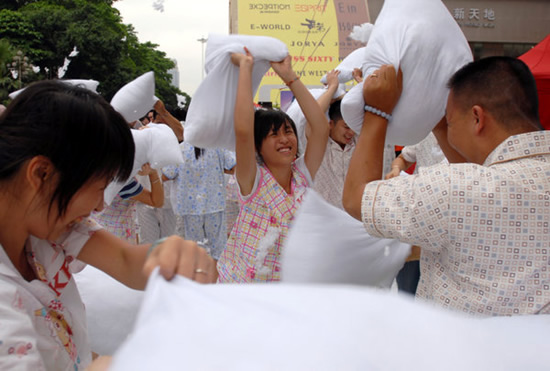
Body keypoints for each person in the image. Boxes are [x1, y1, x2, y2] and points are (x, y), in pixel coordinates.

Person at [0, 80, 216, 370]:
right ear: (41, 174)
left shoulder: (48, 223)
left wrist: (171, 254)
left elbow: (126, 260)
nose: (101, 205)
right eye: (99, 186)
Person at [343, 57, 550, 316]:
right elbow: (480, 174)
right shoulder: (472, 185)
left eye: (450, 122)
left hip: (462, 351)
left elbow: (357, 198)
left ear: (477, 118)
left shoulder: (454, 190)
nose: (448, 133)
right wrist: (441, 123)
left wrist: (377, 111)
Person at [217, 48, 330, 283]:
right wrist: (245, 69)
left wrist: (289, 77)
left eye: (288, 132)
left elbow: (320, 127)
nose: (285, 140)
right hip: (245, 292)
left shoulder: (302, 175)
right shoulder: (252, 179)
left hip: (287, 289)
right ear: (258, 146)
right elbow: (243, 132)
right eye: (274, 135)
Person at [385, 132, 448, 295]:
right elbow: (403, 158)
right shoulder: (425, 134)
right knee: (408, 286)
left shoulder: (462, 139)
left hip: (446, 219)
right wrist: (396, 169)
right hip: (416, 215)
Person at [162, 144, 236, 263]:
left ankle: (198, 277)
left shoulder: (180, 149)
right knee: (218, 249)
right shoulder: (218, 147)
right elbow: (233, 167)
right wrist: (217, 169)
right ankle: (217, 278)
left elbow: (166, 175)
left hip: (190, 206)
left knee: (193, 249)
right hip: (214, 203)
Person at [312, 71, 356, 209]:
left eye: (353, 127)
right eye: (346, 127)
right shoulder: (318, 148)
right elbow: (313, 115)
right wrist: (332, 88)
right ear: (331, 124)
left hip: (355, 221)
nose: (351, 133)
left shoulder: (359, 145)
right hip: (324, 220)